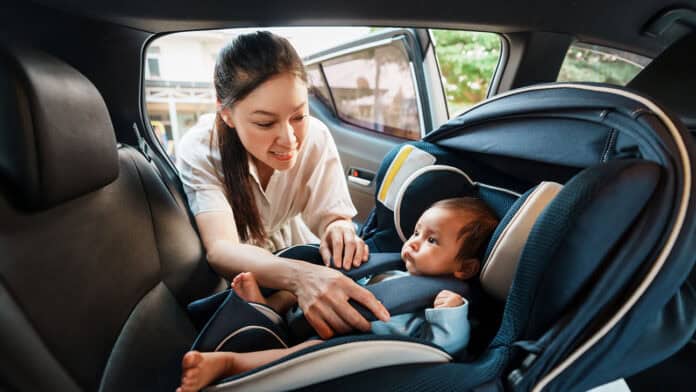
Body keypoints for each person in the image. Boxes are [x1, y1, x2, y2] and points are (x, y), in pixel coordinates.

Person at [177, 30, 389, 339]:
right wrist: (302, 278)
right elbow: (221, 248)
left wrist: (339, 230)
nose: (290, 139)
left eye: (299, 116)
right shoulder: (200, 149)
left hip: (295, 247)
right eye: (265, 123)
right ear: (226, 113)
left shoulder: (316, 137)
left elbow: (332, 215)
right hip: (243, 265)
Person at [176, 197, 499, 392]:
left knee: (307, 349)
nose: (413, 242)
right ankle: (265, 310)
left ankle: (231, 363)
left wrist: (450, 311)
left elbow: (447, 346)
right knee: (292, 297)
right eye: (416, 232)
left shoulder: (447, 300)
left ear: (465, 268)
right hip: (322, 314)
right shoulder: (396, 269)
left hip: (343, 346)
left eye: (432, 241)